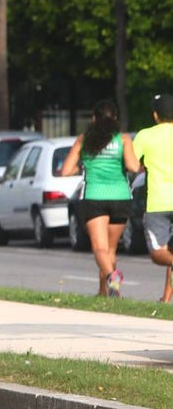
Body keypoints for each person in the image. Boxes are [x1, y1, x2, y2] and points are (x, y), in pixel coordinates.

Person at [60, 100, 141, 297]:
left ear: (93, 118)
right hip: (121, 197)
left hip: (94, 196)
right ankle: (104, 293)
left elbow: (65, 171)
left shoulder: (84, 139)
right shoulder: (123, 139)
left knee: (99, 248)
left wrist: (83, 167)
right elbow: (133, 167)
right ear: (115, 118)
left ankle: (112, 277)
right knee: (111, 249)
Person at [131, 94, 173, 303]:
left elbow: (131, 163)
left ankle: (166, 298)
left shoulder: (145, 136)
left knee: (158, 254)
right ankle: (166, 298)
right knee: (171, 255)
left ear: (155, 115)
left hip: (159, 202)